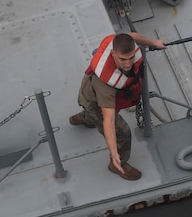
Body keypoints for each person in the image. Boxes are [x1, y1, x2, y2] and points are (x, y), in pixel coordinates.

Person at [69, 32, 166, 182]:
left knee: (96, 116)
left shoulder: (119, 41)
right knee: (122, 133)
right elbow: (109, 121)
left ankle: (85, 118)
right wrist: (115, 153)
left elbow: (132, 35)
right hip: (94, 100)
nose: (128, 64)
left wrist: (154, 43)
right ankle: (117, 164)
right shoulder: (106, 82)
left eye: (130, 58)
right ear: (113, 53)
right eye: (122, 59)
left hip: (101, 94)